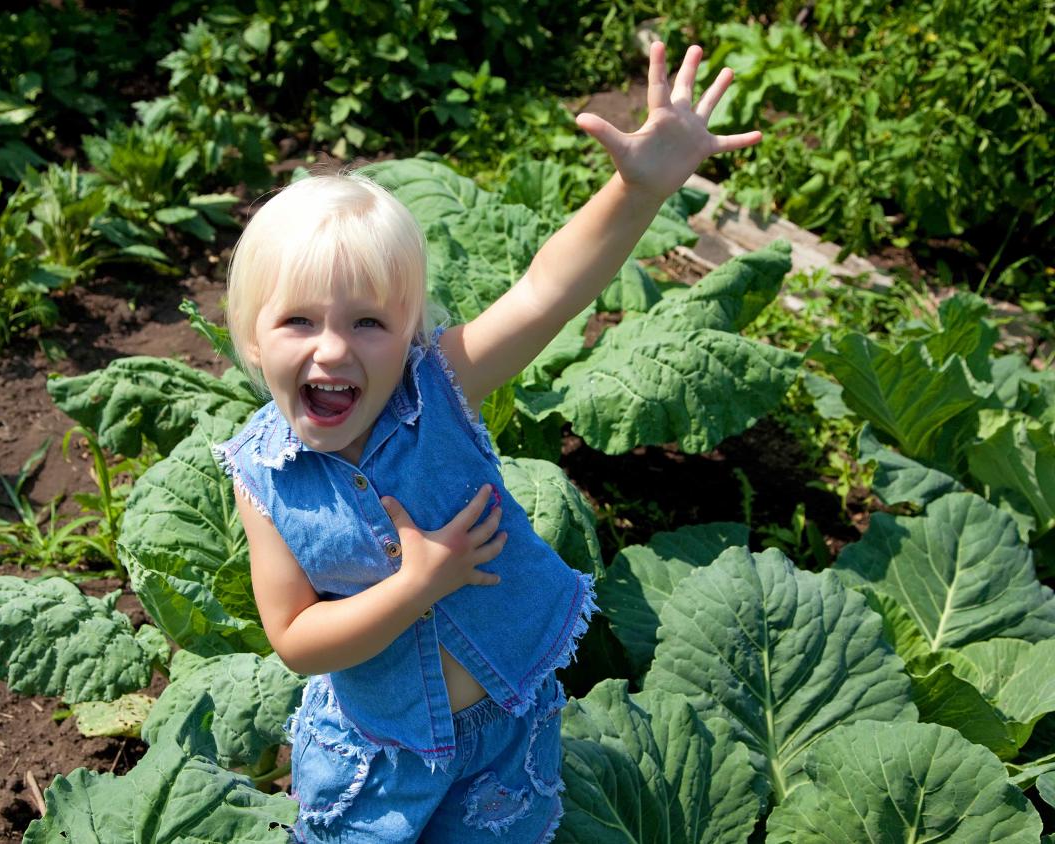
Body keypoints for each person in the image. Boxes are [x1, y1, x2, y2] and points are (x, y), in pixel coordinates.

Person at [213, 41, 761, 844]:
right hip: (379, 756)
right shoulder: (262, 477)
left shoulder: (441, 387)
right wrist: (415, 586)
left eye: (369, 322)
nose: (332, 350)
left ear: (409, 336)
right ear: (253, 342)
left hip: (504, 731)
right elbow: (295, 641)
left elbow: (545, 291)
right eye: (298, 320)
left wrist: (636, 189)